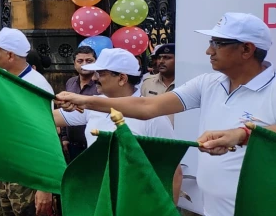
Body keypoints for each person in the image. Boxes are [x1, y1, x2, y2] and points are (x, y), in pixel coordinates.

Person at [56, 13, 275, 216]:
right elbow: (148, 105)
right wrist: (86, 101)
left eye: (218, 43)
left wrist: (242, 134)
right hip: (215, 213)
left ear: (246, 49)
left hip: (261, 214)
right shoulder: (209, 83)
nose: (209, 50)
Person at [52, 48, 181, 202]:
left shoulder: (153, 118)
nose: (94, 78)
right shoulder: (93, 106)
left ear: (122, 78)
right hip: (99, 196)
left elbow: (173, 172)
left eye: (100, 73)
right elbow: (52, 118)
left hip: (134, 200)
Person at [0, 27, 55, 216]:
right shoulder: (6, 80)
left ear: (10, 54)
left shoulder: (35, 85)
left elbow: (47, 136)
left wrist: (44, 185)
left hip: (29, 174)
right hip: (8, 170)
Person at [59, 46, 99, 161]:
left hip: (94, 145)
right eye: (80, 61)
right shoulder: (70, 83)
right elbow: (64, 110)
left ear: (96, 62)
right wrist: (64, 137)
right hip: (73, 145)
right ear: (74, 63)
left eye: (89, 61)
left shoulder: (101, 85)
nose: (84, 64)